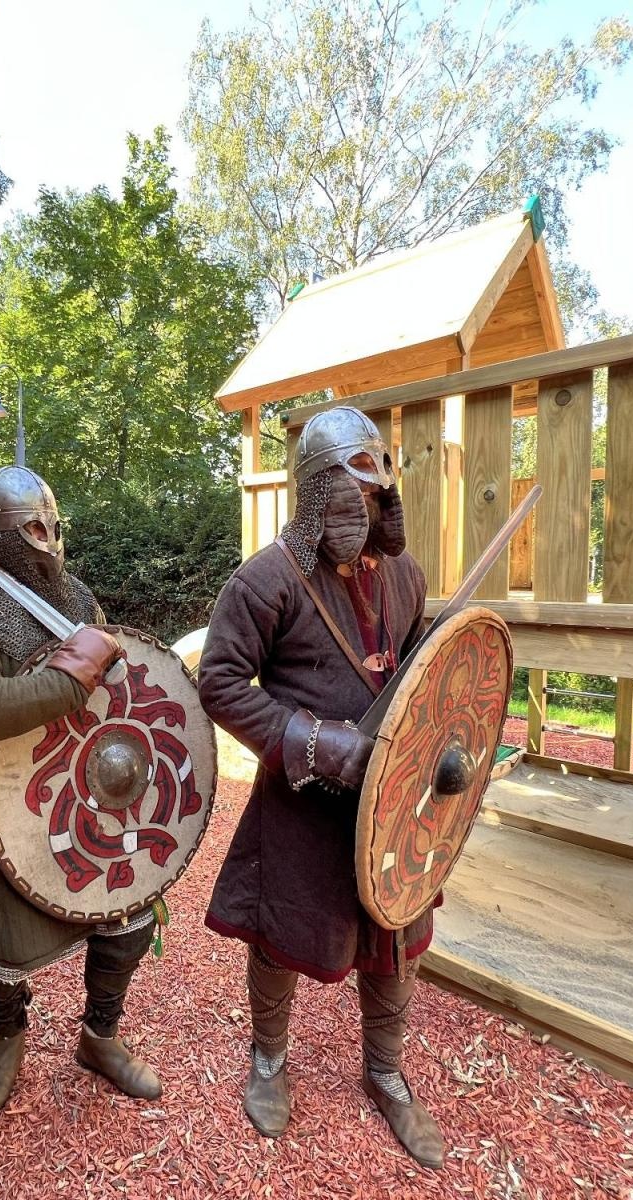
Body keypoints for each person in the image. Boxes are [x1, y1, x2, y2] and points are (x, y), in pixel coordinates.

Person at [198, 406, 446, 1168]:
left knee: (394, 930)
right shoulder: (266, 579)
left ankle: (385, 1072)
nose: (365, 504)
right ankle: (268, 1061)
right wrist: (315, 742)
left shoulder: (405, 573)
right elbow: (220, 683)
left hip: (390, 803)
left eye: (375, 487)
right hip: (303, 797)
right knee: (281, 934)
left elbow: (415, 676)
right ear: (313, 491)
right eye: (349, 487)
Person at [0, 464, 162, 1117]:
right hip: (9, 804)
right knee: (6, 946)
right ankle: (7, 1040)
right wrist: (71, 677)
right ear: (0, 537)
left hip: (89, 787)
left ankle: (99, 1037)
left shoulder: (79, 599)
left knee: (128, 916)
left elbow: (118, 686)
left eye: (53, 526)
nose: (48, 539)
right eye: (33, 527)